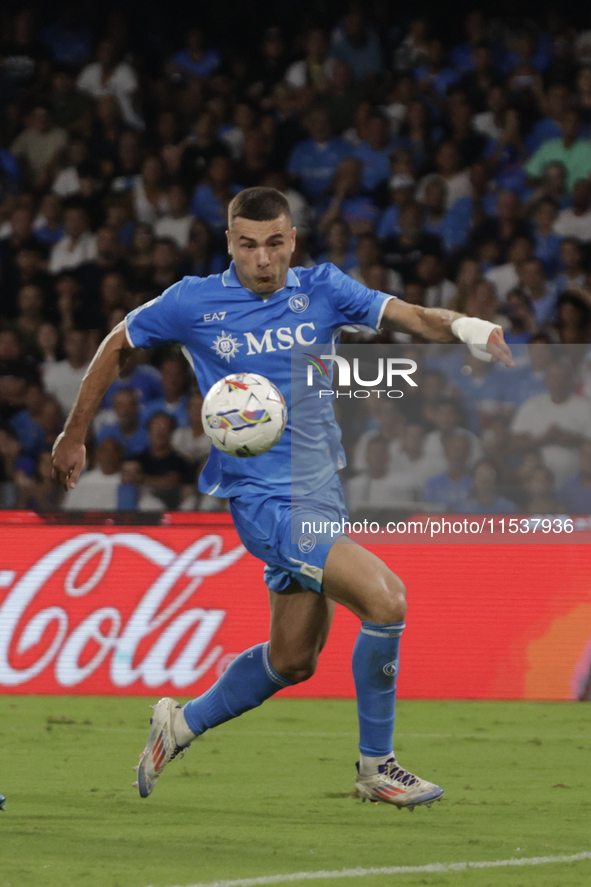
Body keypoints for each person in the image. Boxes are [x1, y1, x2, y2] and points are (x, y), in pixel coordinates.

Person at [52, 186, 513, 809]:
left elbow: (409, 314)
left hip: (322, 492)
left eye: (274, 244)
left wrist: (471, 327)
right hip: (266, 502)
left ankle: (179, 725)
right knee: (386, 599)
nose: (263, 259)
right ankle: (378, 766)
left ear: (292, 240)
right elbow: (117, 343)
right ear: (230, 244)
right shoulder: (194, 301)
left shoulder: (323, 288)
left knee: (293, 660)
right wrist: (74, 433)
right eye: (248, 245)